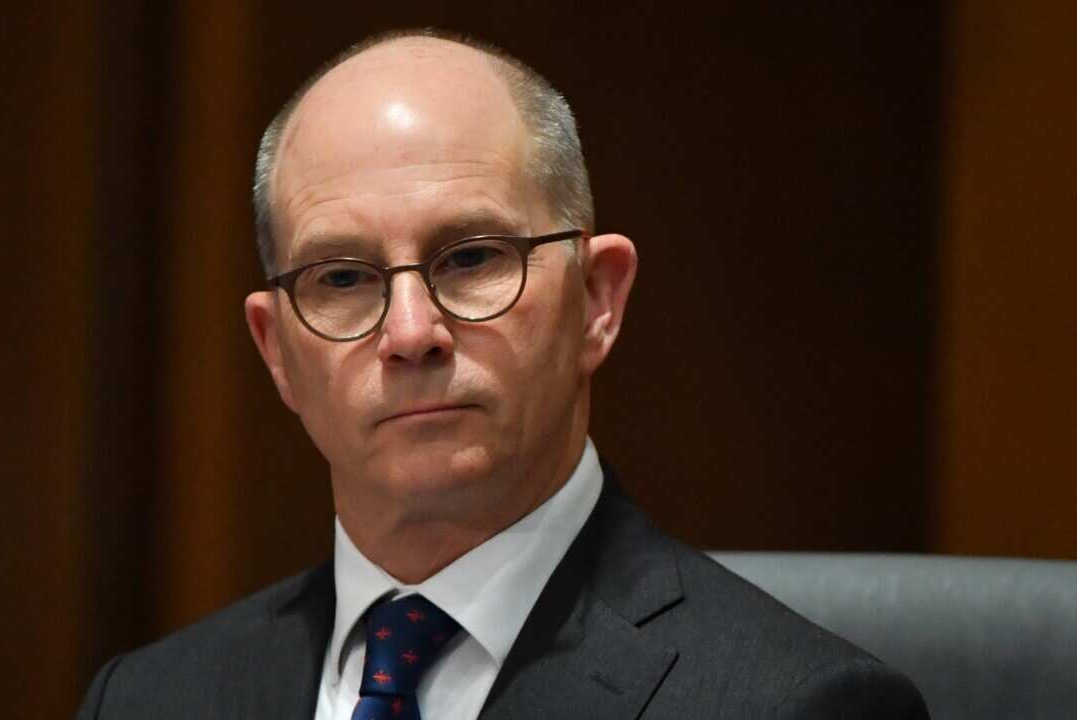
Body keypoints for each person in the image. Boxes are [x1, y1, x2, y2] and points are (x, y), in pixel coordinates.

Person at [76, 29, 928, 719]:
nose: (411, 334)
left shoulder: (797, 706)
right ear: (276, 351)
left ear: (596, 299)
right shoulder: (147, 701)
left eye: (472, 257)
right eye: (341, 277)